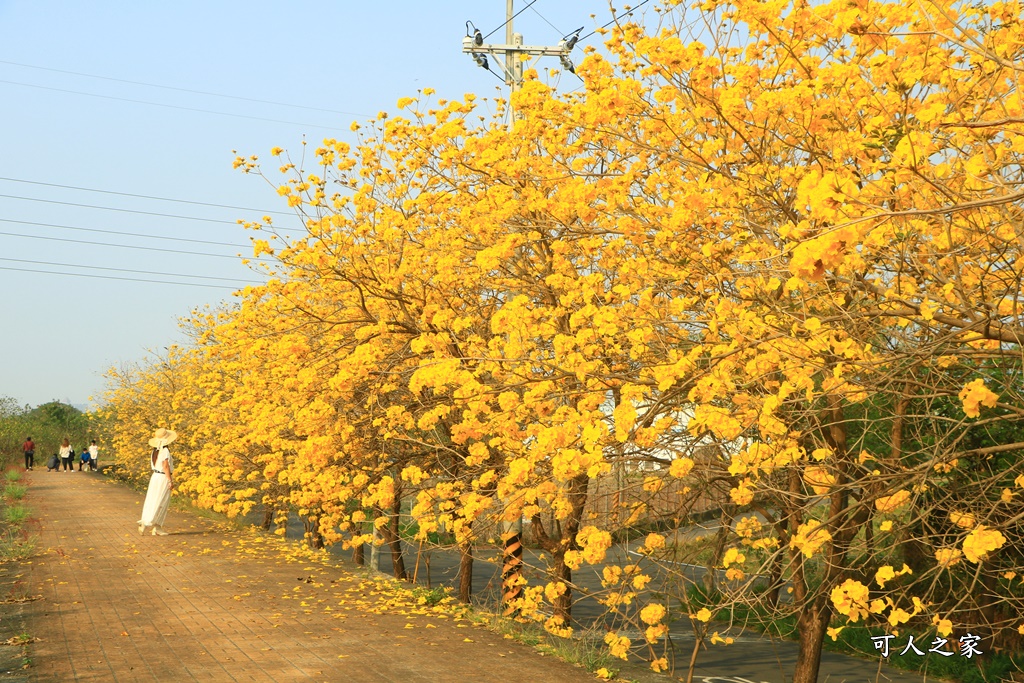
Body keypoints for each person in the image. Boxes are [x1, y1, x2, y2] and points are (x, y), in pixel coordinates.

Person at [138, 428, 176, 536]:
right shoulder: (165, 451)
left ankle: (147, 523)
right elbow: (165, 466)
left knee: (152, 499)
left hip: (155, 476)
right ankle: (155, 526)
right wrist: (169, 480)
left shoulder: (155, 451)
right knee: (162, 502)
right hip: (162, 477)